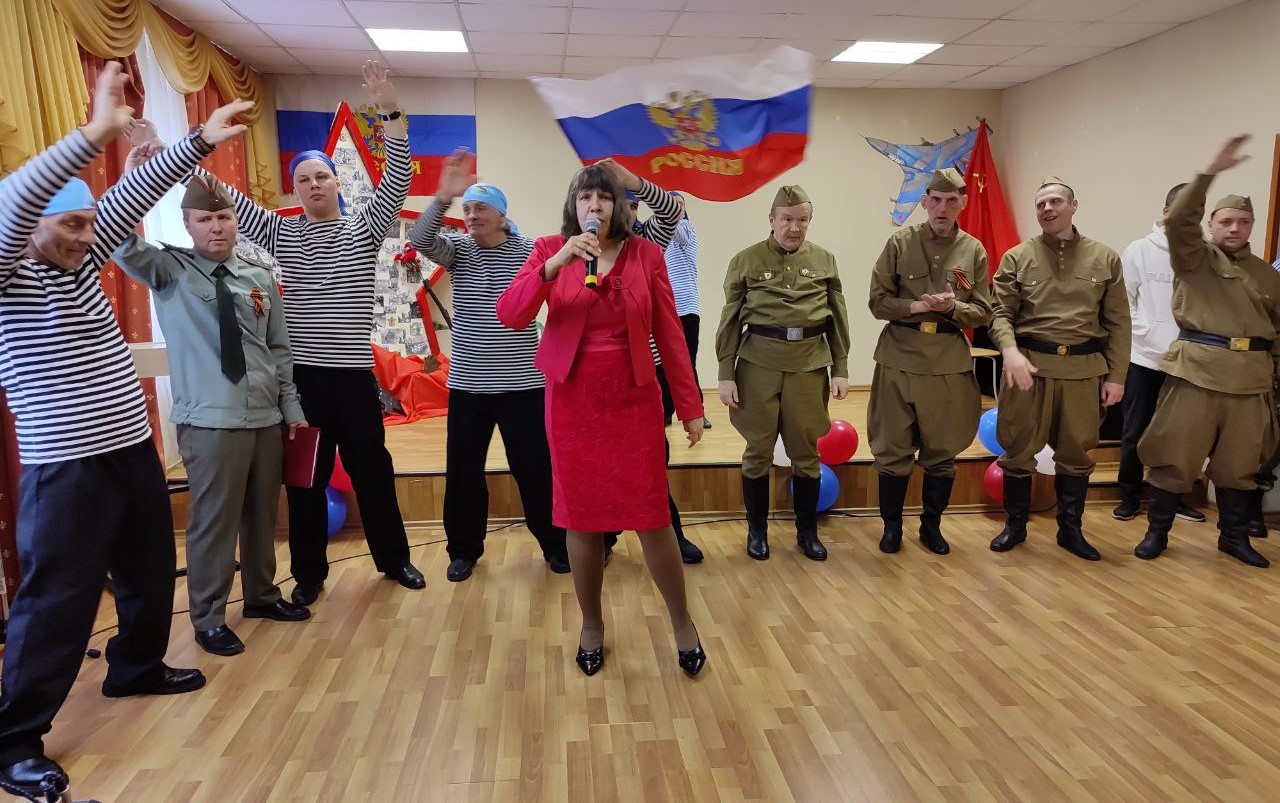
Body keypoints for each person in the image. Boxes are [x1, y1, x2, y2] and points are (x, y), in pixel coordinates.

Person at [0, 64, 244, 799]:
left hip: (131, 448)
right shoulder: (8, 276)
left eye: (88, 225)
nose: (85, 238)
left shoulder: (80, 260)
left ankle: (134, 666)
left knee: (147, 570)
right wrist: (95, 134)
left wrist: (196, 142)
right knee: (59, 598)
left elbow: (130, 197)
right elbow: (12, 204)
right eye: (69, 225)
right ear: (32, 225)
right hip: (65, 465)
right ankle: (13, 739)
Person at [206, 61, 424, 605]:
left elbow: (398, 177)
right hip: (301, 382)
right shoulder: (278, 230)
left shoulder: (364, 227)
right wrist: (168, 150)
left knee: (373, 471)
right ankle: (308, 574)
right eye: (302, 179)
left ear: (336, 181)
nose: (312, 185)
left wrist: (390, 110)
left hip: (352, 378)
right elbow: (222, 197)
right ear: (295, 189)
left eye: (321, 176)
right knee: (305, 478)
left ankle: (395, 560)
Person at [496, 164, 706, 678]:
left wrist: (690, 405)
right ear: (574, 206)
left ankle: (682, 622)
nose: (595, 205)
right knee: (581, 520)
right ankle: (591, 624)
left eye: (605, 197)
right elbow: (511, 314)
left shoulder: (646, 254)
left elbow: (670, 335)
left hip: (634, 401)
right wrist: (554, 265)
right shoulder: (549, 250)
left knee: (653, 518)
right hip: (572, 403)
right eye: (585, 197)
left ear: (620, 205)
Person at [113, 175, 312, 656]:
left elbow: (278, 349)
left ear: (235, 220)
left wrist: (291, 409)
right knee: (214, 522)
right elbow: (116, 236)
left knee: (262, 516)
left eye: (223, 217)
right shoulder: (168, 270)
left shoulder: (258, 277)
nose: (216, 227)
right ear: (188, 225)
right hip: (210, 422)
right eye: (204, 219)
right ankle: (208, 617)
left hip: (264, 416)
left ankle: (262, 595)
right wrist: (137, 178)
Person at [409, 151, 569, 582]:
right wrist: (443, 196)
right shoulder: (458, 250)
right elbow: (420, 239)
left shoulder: (530, 251)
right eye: (467, 209)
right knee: (463, 474)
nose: (471, 216)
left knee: (536, 470)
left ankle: (556, 545)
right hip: (468, 386)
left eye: (480, 208)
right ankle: (463, 550)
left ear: (501, 214)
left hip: (523, 386)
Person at [1134, 135, 1280, 567]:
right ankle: (1157, 533)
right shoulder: (1194, 258)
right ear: (1211, 225)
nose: (1235, 229)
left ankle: (1233, 537)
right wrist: (1209, 172)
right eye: (1226, 221)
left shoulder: (1268, 276)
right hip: (1197, 372)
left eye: (1243, 222)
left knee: (1240, 464)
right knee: (1174, 457)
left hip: (1250, 379)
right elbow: (1180, 220)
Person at [988, 176, 1130, 560]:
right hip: (1028, 369)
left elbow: (1119, 323)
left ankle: (1071, 531)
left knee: (1076, 455)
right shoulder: (1018, 257)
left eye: (1055, 202)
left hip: (1083, 371)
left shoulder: (1104, 258)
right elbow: (1000, 313)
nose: (1047, 209)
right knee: (1018, 450)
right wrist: (1009, 350)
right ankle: (1015, 526)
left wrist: (1117, 376)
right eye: (1041, 204)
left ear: (1073, 206)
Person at [716, 185, 851, 562]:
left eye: (802, 220)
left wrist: (840, 368)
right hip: (758, 365)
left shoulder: (824, 260)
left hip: (808, 366)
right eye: (787, 219)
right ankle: (757, 532)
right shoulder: (746, 260)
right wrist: (726, 372)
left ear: (810, 221)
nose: (794, 227)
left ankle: (807, 533)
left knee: (806, 452)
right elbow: (730, 319)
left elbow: (837, 317)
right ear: (772, 220)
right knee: (757, 450)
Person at [867, 168, 994, 555]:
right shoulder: (900, 243)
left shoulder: (971, 252)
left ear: (962, 203)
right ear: (924, 202)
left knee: (942, 452)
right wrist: (918, 306)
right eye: (935, 200)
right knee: (893, 449)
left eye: (951, 200)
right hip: (899, 358)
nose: (942, 208)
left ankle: (931, 527)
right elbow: (877, 302)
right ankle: (891, 528)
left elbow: (982, 311)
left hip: (946, 363)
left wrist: (952, 307)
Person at [604, 174, 705, 565]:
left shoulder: (647, 245)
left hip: (644, 377)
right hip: (599, 381)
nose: (627, 213)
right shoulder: (579, 249)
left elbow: (671, 210)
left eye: (632, 206)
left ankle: (670, 534)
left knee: (651, 460)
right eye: (620, 204)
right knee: (604, 463)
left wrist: (634, 180)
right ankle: (605, 536)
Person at [1112, 184, 1206, 524]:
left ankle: (1172, 499)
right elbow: (1124, 305)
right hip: (1145, 359)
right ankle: (1129, 496)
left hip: (1187, 362)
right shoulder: (1138, 250)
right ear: (1166, 212)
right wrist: (1154, 338)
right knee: (1135, 431)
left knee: (1179, 435)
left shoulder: (1203, 256)